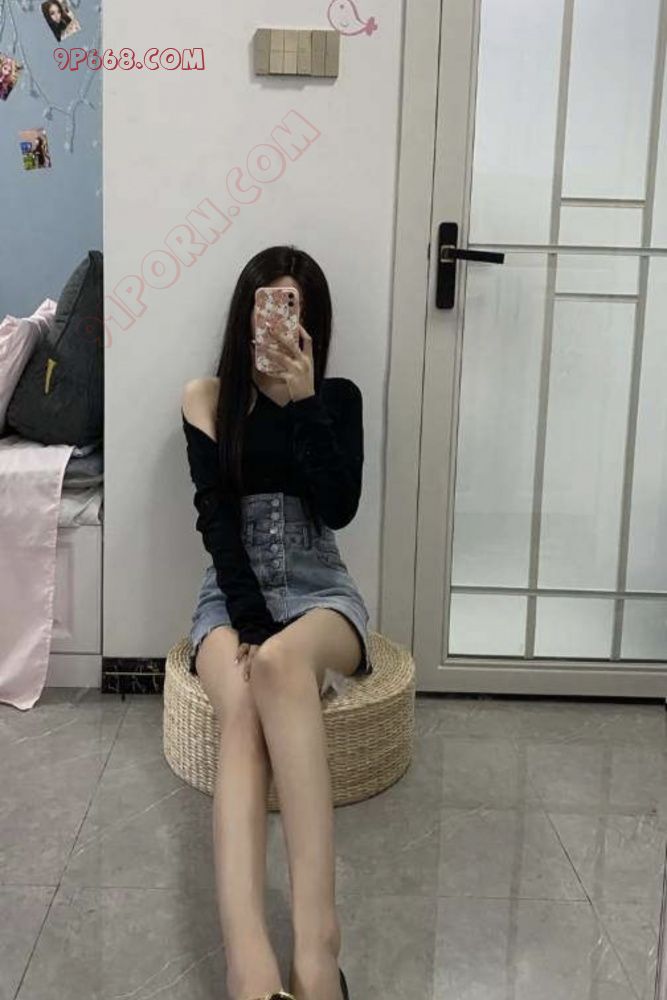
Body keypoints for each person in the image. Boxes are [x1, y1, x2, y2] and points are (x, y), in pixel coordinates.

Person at [181, 245, 369, 1000]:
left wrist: (303, 402)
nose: (277, 320)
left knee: (282, 663)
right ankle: (250, 967)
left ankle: (317, 950)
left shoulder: (338, 398)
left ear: (310, 322)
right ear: (246, 313)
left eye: (293, 307)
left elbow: (339, 508)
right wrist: (251, 619)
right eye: (268, 304)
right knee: (243, 713)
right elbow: (214, 521)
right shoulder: (207, 398)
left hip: (322, 586)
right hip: (231, 592)